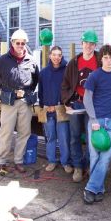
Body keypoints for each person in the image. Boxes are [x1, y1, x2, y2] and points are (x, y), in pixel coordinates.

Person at [0, 29, 39, 174]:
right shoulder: (2, 61)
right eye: (18, 43)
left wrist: (28, 93)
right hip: (8, 101)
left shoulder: (31, 60)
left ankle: (18, 161)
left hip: (25, 102)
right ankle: (1, 162)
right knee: (6, 132)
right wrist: (0, 94)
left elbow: (35, 79)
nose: (21, 45)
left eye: (23, 43)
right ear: (12, 43)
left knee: (24, 132)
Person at [83, 44, 111, 204]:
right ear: (101, 59)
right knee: (95, 156)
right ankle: (98, 188)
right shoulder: (95, 76)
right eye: (106, 57)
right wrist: (93, 120)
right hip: (97, 121)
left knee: (106, 157)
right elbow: (87, 98)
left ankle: (90, 188)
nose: (109, 61)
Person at [61, 29, 101, 182]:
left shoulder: (99, 60)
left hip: (94, 105)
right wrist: (67, 103)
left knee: (92, 137)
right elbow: (65, 84)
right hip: (77, 104)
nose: (89, 46)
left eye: (92, 44)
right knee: (75, 136)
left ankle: (90, 166)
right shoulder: (74, 62)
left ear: (95, 45)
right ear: (82, 43)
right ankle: (78, 166)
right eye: (86, 43)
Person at [38, 45, 72, 173]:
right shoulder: (43, 73)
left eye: (59, 55)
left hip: (61, 109)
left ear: (61, 56)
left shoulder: (66, 71)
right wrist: (43, 106)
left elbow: (68, 90)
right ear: (50, 56)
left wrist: (63, 104)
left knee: (63, 138)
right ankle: (51, 161)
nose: (56, 57)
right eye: (54, 54)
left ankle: (65, 162)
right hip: (48, 109)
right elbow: (41, 91)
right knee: (50, 137)